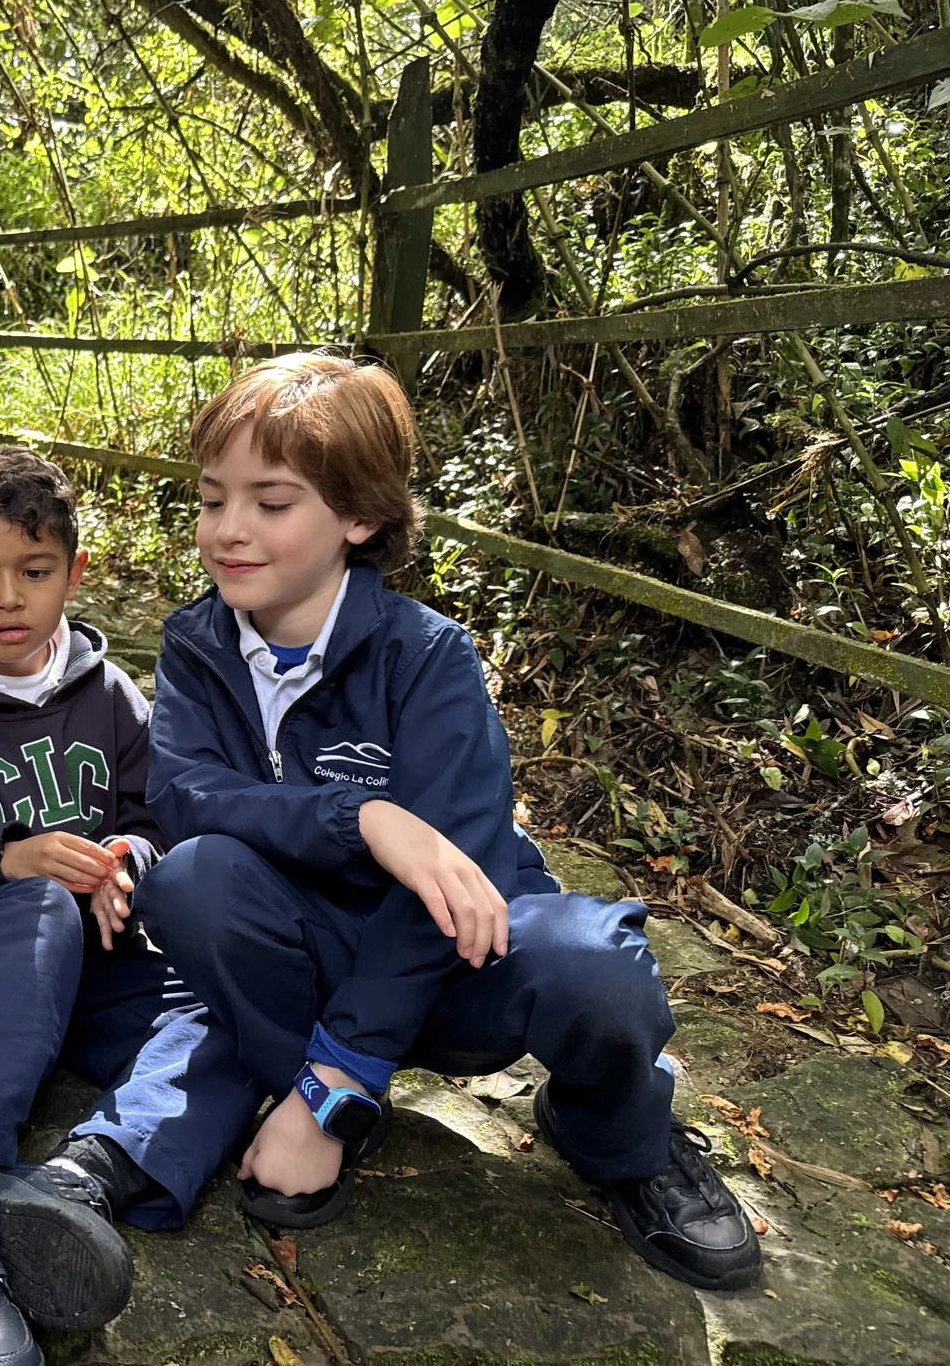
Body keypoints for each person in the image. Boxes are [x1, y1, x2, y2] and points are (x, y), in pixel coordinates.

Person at [137, 354, 761, 1292]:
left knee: (597, 966)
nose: (228, 531)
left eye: (271, 503)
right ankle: (322, 1103)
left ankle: (625, 1141)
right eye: (211, 497)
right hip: (303, 954)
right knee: (190, 879)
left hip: (452, 967)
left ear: (359, 518)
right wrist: (364, 817)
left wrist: (345, 1064)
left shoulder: (428, 657)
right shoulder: (196, 646)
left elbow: (454, 865)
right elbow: (185, 794)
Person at [0, 447, 261, 1366]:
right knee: (35, 903)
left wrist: (129, 861)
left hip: (98, 963)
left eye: (34, 573)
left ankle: (81, 1180)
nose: (8, 598)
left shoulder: (108, 695)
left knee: (241, 1013)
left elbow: (154, 815)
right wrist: (5, 856)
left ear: (73, 574)